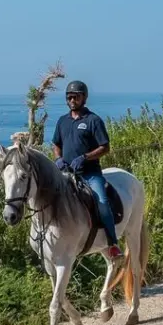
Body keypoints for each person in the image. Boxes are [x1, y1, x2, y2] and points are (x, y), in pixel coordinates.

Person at [51, 80, 122, 259]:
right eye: (69, 97)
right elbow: (56, 144)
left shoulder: (93, 120)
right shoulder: (62, 121)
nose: (72, 99)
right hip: (66, 174)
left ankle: (113, 244)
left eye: (76, 96)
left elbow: (104, 147)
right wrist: (58, 159)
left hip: (90, 174)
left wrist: (85, 157)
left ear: (84, 97)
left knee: (102, 203)